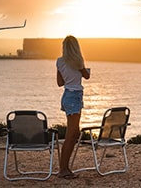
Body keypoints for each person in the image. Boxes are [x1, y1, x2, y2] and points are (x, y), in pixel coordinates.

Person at [56, 35, 90, 179]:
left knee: (73, 133)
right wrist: (80, 69)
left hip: (67, 96)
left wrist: (67, 75)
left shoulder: (59, 61)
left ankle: (65, 167)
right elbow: (87, 76)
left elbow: (59, 82)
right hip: (75, 97)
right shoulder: (78, 61)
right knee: (72, 134)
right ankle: (63, 169)